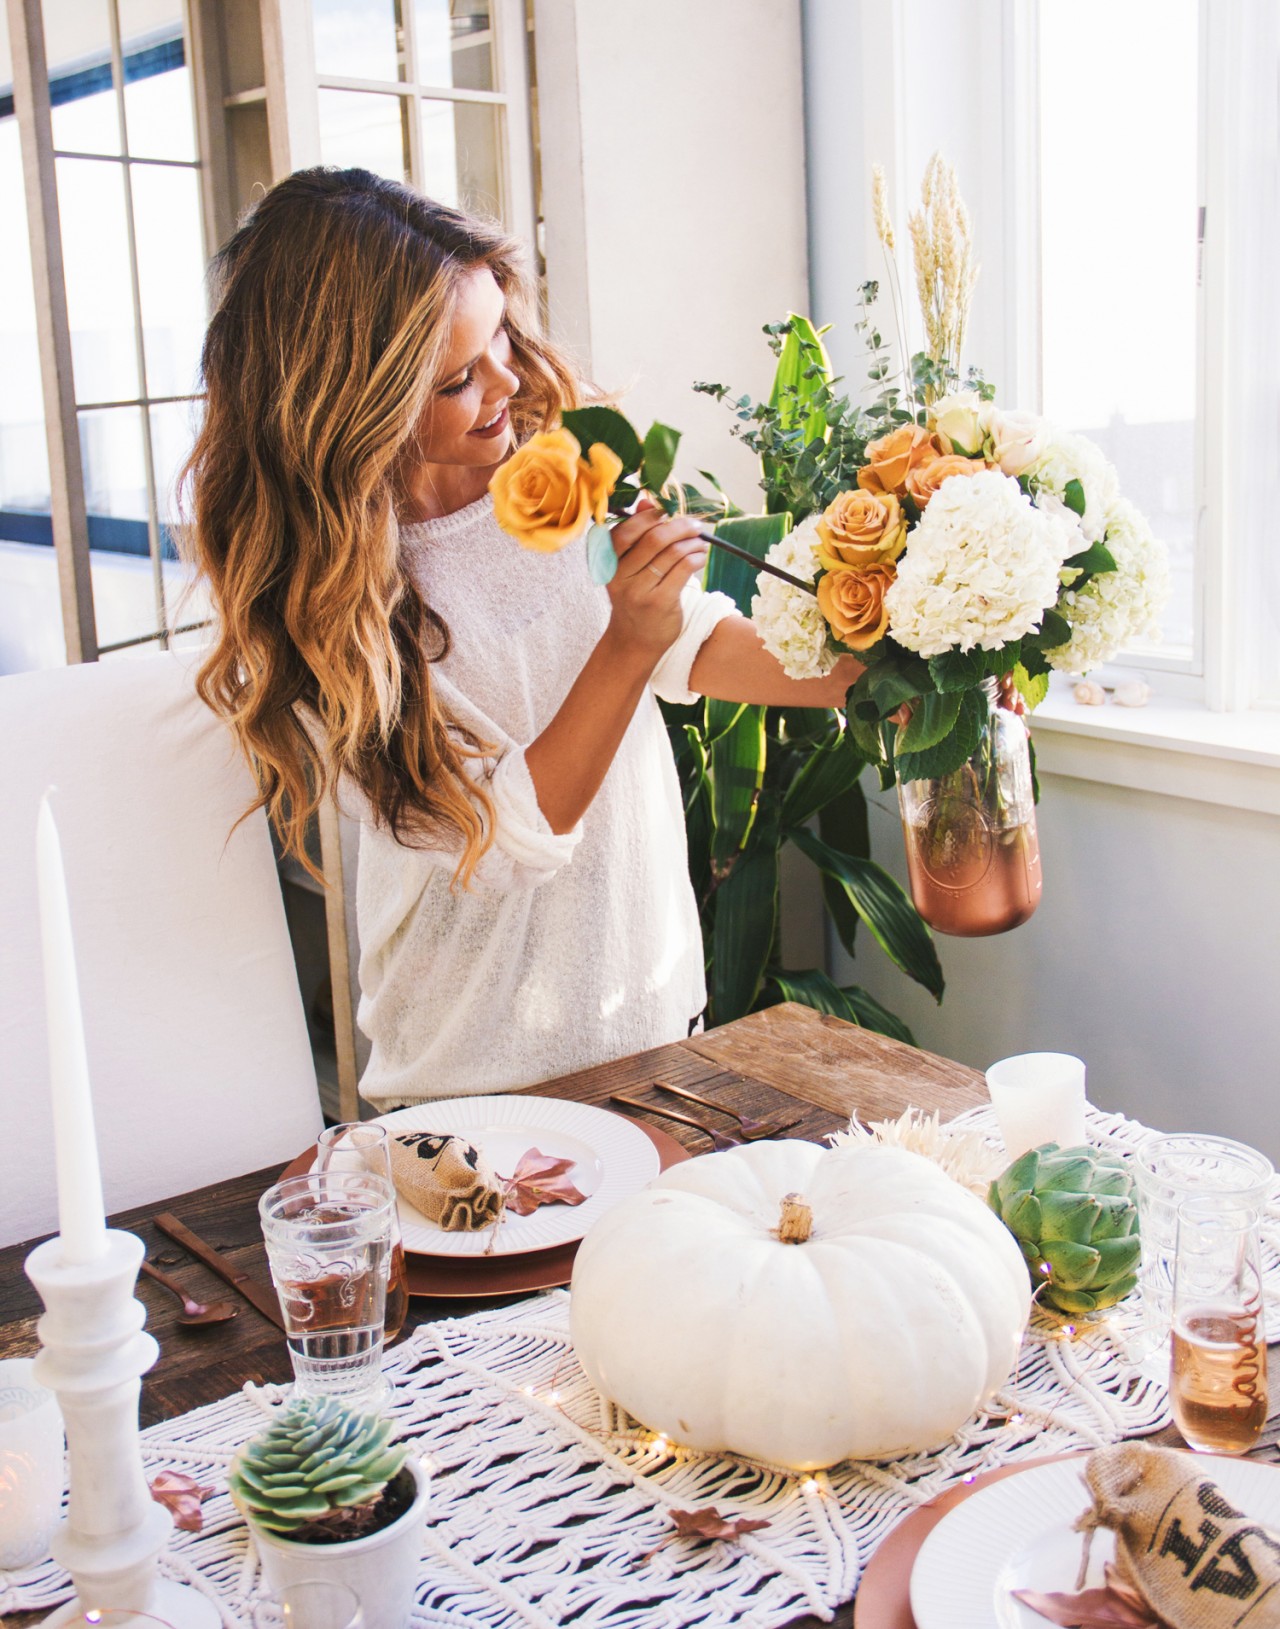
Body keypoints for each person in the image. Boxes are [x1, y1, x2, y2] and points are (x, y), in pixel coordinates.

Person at [184, 168, 858, 1105]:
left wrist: (887, 671)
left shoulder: (552, 470)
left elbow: (687, 638)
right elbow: (494, 840)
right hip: (474, 1080)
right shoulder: (333, 603)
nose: (506, 379)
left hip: (648, 1024)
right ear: (355, 405)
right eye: (458, 377)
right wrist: (626, 640)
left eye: (499, 332)